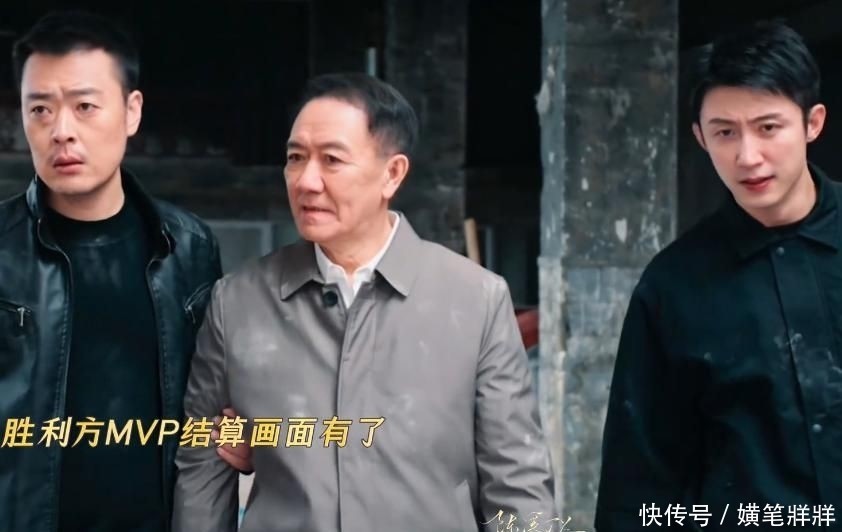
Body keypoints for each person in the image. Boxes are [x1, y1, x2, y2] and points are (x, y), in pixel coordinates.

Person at [172, 72, 556, 532]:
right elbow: (201, 465)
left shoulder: (475, 301)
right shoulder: (238, 302)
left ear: (392, 174)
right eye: (295, 158)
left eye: (332, 160)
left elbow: (517, 482)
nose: (306, 181)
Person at [0, 10, 250, 532]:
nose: (61, 132)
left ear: (131, 111)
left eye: (85, 107)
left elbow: (212, 407)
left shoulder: (189, 248)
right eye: (40, 109)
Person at [596, 20, 841, 531]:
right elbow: (638, 479)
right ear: (700, 138)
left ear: (813, 123)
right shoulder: (674, 286)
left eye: (768, 128)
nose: (748, 157)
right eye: (725, 132)